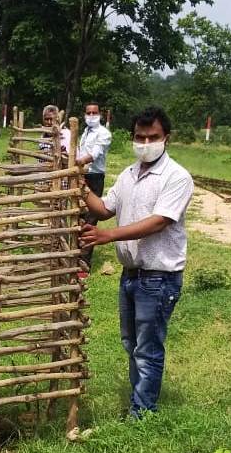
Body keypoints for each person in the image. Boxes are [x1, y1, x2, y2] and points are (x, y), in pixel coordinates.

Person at [79, 106, 193, 418]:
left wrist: (109, 236)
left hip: (158, 277)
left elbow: (160, 221)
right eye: (140, 137)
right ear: (132, 138)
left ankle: (143, 412)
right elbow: (103, 208)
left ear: (166, 138)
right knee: (132, 343)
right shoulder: (129, 175)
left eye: (152, 137)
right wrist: (79, 184)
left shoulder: (176, 177)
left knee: (148, 346)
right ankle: (138, 401)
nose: (145, 143)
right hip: (131, 273)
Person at [75, 101, 113, 270]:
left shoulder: (104, 133)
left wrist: (78, 162)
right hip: (82, 175)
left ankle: (84, 264)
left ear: (100, 115)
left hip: (95, 177)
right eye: (88, 113)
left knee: (90, 218)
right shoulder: (85, 132)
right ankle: (76, 255)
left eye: (94, 113)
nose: (91, 116)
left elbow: (95, 154)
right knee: (79, 215)